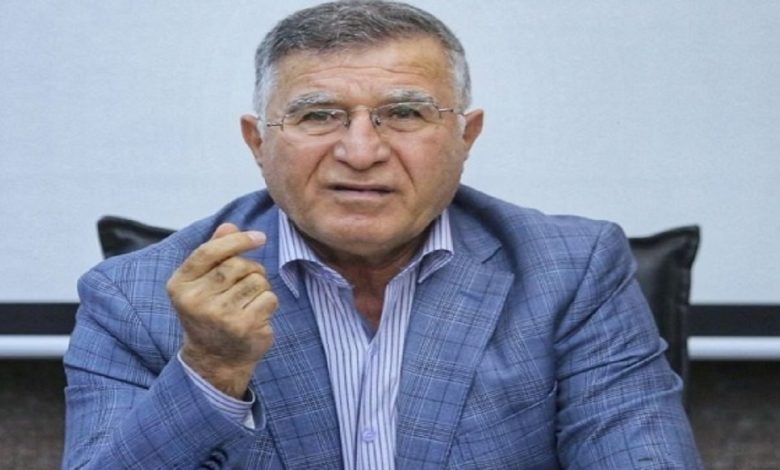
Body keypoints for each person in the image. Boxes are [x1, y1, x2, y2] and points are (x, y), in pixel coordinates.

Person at [63, 1, 702, 468]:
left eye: (404, 113)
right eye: (319, 115)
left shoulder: (572, 270)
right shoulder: (133, 294)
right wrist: (212, 369)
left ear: (466, 137)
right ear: (258, 143)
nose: (361, 151)